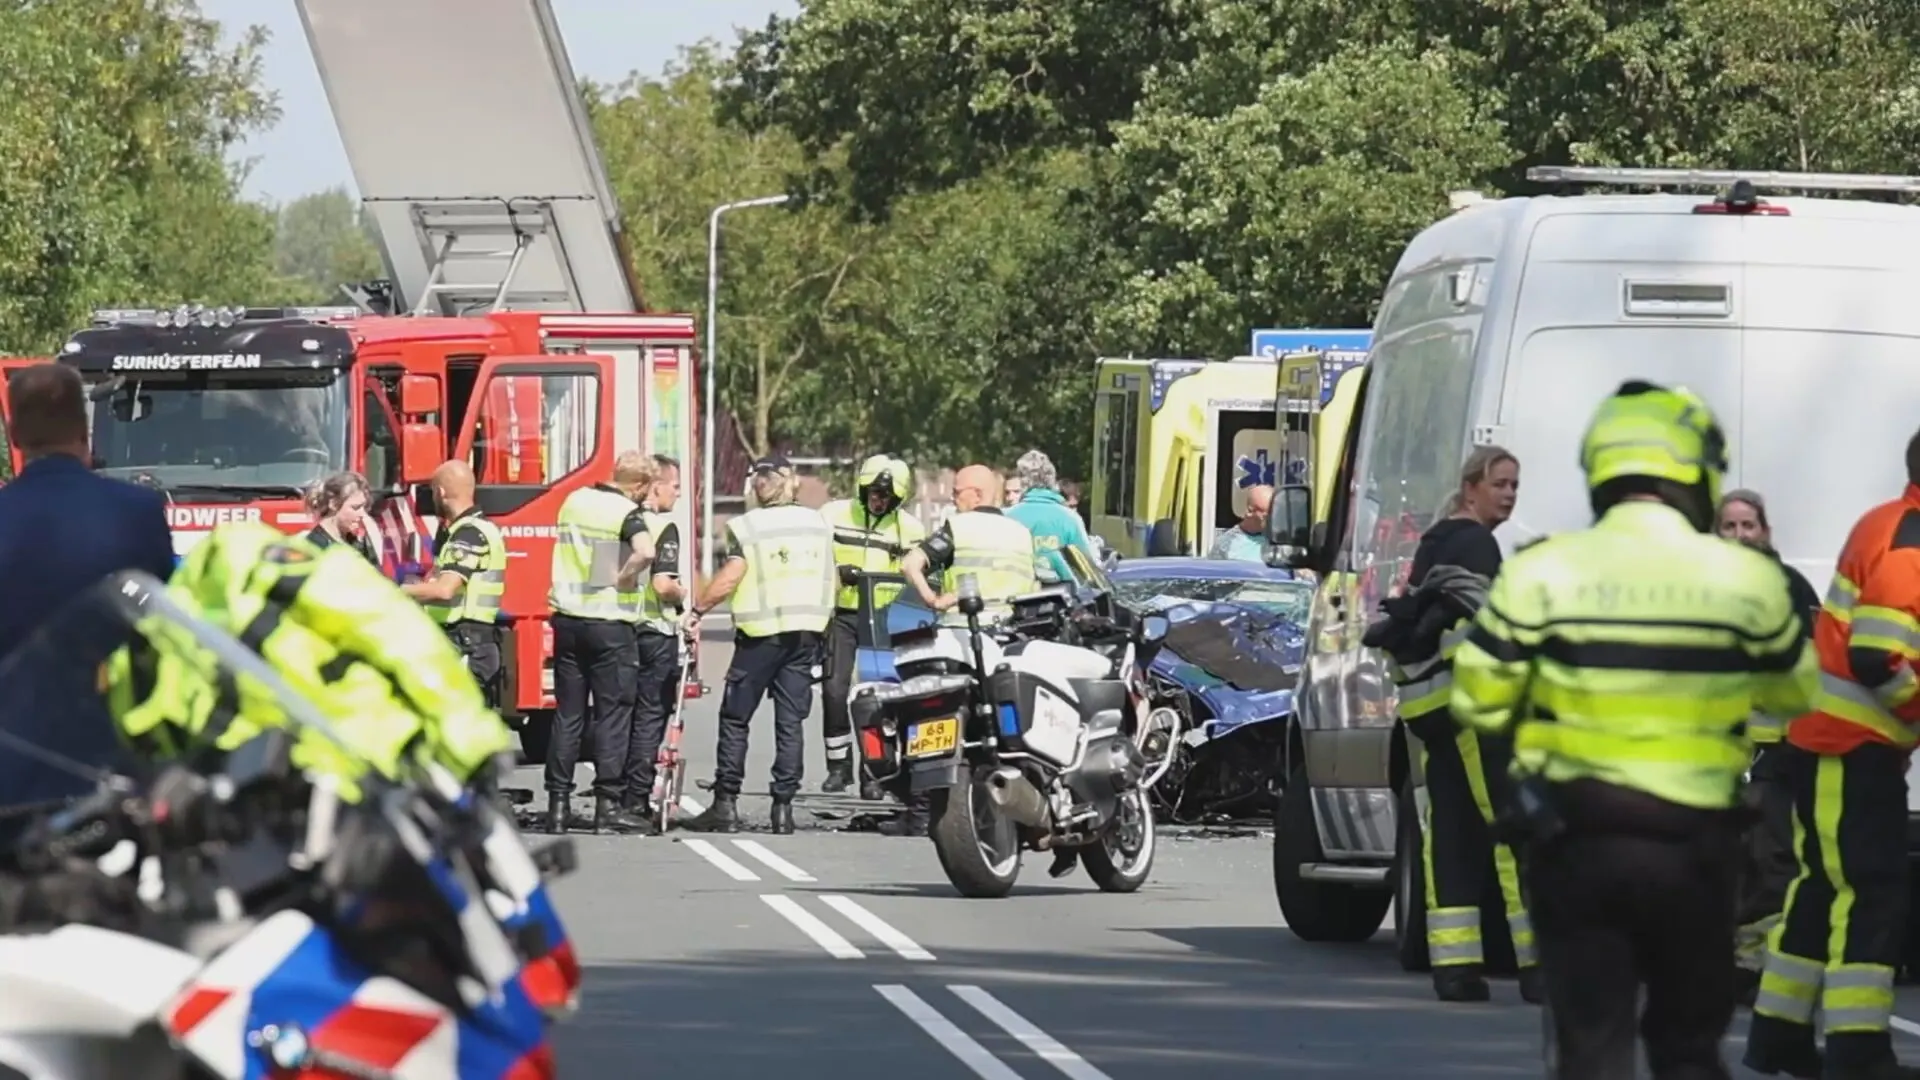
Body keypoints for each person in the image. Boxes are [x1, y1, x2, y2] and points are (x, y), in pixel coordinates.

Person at [1452, 381, 1815, 1079]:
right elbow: (1796, 690)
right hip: (1695, 848)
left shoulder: (1542, 571)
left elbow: (1478, 696)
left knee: (1591, 1047)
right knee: (1688, 1047)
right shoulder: (1746, 579)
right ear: (1699, 471)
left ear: (1600, 470)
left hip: (1578, 842)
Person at [107, 521, 515, 800]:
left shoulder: (232, 568)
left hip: (374, 785)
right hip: (315, 800)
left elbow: (392, 631)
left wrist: (470, 739)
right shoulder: (147, 652)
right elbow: (400, 635)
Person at [1745, 433, 1920, 1080]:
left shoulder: (1888, 522)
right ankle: (1858, 1049)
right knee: (1868, 890)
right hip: (1853, 746)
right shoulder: (1909, 544)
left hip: (1830, 741)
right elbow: (1881, 659)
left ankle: (1778, 1038)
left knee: (1822, 887)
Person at [1365, 446, 1536, 1003]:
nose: (1509, 494)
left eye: (1514, 485)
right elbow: (1492, 631)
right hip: (1477, 709)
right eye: (1500, 484)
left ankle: (1457, 966)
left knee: (1454, 833)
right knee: (1515, 830)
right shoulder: (1476, 544)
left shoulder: (1438, 539)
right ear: (1470, 489)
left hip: (1435, 713)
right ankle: (1537, 966)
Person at [0, 363, 175, 827]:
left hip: (10, 768)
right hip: (113, 765)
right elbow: (160, 627)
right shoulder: (138, 512)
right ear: (84, 428)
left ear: (14, 434)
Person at [680, 457, 835, 835]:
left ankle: (725, 804)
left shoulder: (747, 526)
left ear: (758, 486)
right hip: (805, 634)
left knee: (735, 718)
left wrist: (698, 608)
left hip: (761, 637)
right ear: (791, 483)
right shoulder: (818, 524)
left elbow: (731, 576)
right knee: (791, 722)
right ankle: (782, 810)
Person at [1715, 489, 1822, 1005]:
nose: (1740, 536)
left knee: (1771, 858)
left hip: (1776, 752)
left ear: (1766, 532)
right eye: (1730, 527)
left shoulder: (1789, 589)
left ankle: (1762, 964)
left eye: (1748, 526)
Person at [898, 463, 1039, 838]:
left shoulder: (959, 528)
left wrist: (933, 599)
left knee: (932, 716)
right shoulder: (1021, 533)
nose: (952, 497)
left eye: (957, 491)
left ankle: (921, 809)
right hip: (1009, 641)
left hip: (960, 638)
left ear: (975, 494)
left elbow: (912, 564)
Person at [544, 451, 656, 835]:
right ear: (639, 485)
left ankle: (557, 805)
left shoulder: (574, 500)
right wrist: (626, 577)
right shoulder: (626, 513)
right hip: (610, 625)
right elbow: (646, 551)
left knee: (568, 714)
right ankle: (607, 807)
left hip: (569, 620)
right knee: (612, 714)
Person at [820, 454, 924, 795]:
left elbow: (916, 576)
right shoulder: (832, 515)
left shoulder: (909, 528)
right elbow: (815, 560)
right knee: (835, 691)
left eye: (887, 497)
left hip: (882, 620)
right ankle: (838, 767)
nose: (879, 501)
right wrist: (837, 574)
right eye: (873, 494)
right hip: (842, 615)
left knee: (878, 695)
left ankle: (874, 771)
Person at [618, 455, 689, 834]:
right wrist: (682, 595)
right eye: (675, 486)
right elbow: (663, 586)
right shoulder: (663, 526)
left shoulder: (621, 520)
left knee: (619, 715)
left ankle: (610, 795)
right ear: (656, 486)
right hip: (655, 632)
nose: (677, 493)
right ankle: (636, 796)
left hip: (622, 629)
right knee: (649, 716)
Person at [401, 461, 508, 708]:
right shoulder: (475, 529)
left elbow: (445, 589)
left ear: (440, 492)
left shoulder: (469, 534)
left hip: (468, 643)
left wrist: (397, 592)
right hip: (472, 641)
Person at [1004, 449, 1096, 584]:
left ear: (1022, 482)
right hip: (1063, 598)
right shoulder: (1070, 518)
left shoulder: (1006, 517)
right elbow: (1087, 569)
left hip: (1019, 596)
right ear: (1052, 480)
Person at [302, 471, 380, 564]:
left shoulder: (351, 540)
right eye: (356, 507)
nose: (362, 514)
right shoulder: (315, 549)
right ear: (334, 504)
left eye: (364, 507)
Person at [1208, 485, 1273, 562]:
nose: (1272, 518)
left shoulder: (1281, 539)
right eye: (1268, 514)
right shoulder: (1226, 545)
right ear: (1250, 512)